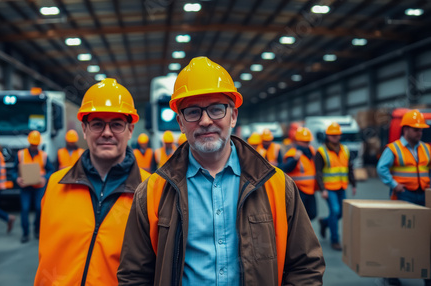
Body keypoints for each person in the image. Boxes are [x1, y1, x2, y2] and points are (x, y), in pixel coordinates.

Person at [118, 57, 325, 285]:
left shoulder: (277, 185)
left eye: (217, 109)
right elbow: (134, 275)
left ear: (233, 116)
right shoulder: (151, 193)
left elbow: (305, 266)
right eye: (193, 112)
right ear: (180, 122)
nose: (206, 121)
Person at [35, 78, 150, 285]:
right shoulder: (55, 185)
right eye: (97, 124)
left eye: (116, 124)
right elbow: (46, 258)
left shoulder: (151, 190)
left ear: (130, 130)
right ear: (84, 128)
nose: (107, 133)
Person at [377, 109, 431, 286]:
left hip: (422, 195)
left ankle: (426, 273)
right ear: (405, 129)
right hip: (403, 195)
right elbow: (381, 168)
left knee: (423, 236)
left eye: (421, 129)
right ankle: (392, 272)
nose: (419, 132)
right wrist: (394, 185)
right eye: (416, 129)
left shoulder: (425, 148)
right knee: (399, 236)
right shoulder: (393, 148)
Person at [316, 122, 356, 251]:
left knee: (340, 213)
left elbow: (349, 168)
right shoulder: (321, 152)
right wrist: (322, 189)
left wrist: (353, 184)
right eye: (333, 135)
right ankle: (335, 240)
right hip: (329, 188)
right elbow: (318, 172)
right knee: (335, 211)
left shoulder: (345, 149)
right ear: (328, 136)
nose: (335, 137)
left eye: (337, 135)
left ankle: (325, 222)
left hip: (341, 186)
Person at [14, 130, 53, 243]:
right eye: (32, 144)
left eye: (36, 145)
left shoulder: (44, 156)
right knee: (25, 209)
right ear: (29, 143)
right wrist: (17, 178)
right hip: (25, 186)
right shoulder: (21, 154)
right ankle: (25, 233)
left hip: (38, 186)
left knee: (38, 208)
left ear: (39, 144)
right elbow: (14, 170)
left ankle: (37, 229)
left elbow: (50, 170)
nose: (34, 146)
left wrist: (44, 178)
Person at [282, 127, 317, 220]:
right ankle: (302, 233)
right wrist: (295, 159)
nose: (307, 144)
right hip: (298, 190)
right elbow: (287, 168)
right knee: (300, 217)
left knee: (312, 214)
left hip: (311, 189)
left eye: (308, 142)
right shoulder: (293, 153)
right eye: (304, 142)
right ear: (297, 141)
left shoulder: (312, 151)